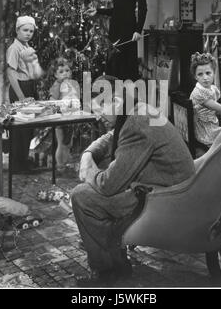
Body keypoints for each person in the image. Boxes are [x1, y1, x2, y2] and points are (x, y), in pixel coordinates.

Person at [71, 75, 196, 286]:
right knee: (92, 194)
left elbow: (108, 186)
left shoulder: (137, 122)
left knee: (82, 196)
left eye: (101, 107)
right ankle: (113, 253)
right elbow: (113, 135)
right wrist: (88, 153)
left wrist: (91, 172)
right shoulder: (138, 110)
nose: (97, 116)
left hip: (166, 200)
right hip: (170, 189)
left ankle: (109, 271)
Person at [6, 15, 43, 172]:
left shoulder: (27, 47)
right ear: (17, 30)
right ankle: (16, 164)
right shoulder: (14, 48)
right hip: (19, 88)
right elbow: (10, 73)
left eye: (31, 31)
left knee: (28, 128)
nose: (28, 33)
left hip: (29, 86)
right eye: (25, 30)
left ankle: (23, 160)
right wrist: (20, 96)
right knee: (20, 127)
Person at [49, 57, 80, 170]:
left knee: (68, 143)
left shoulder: (71, 84)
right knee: (61, 143)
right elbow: (52, 100)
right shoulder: (57, 85)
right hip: (61, 119)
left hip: (70, 117)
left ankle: (65, 162)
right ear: (56, 75)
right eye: (61, 72)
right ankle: (60, 165)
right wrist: (58, 112)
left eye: (67, 71)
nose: (65, 74)